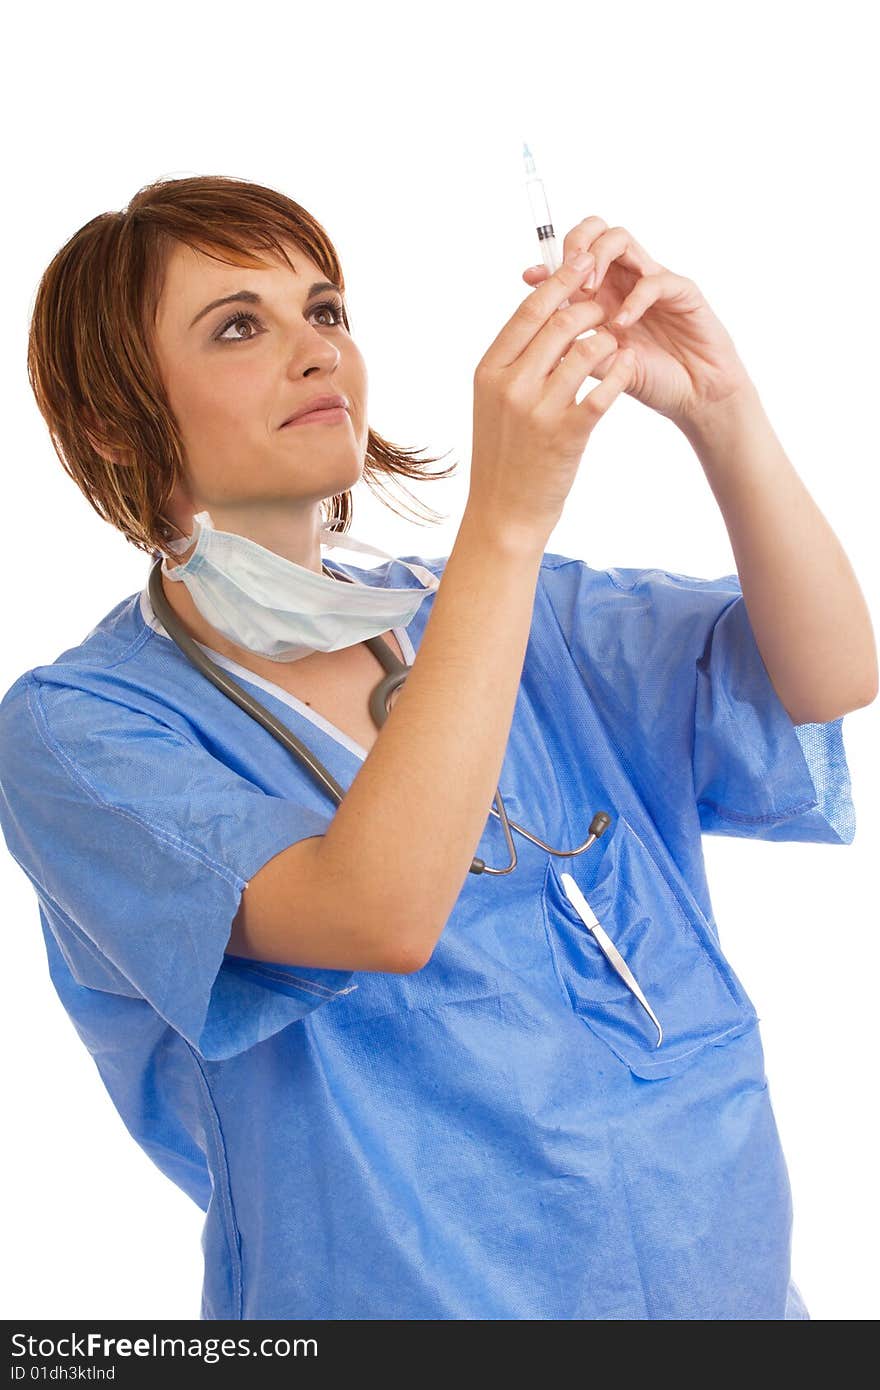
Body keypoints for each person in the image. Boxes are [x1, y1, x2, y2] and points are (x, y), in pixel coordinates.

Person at [0, 174, 875, 1322]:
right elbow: (378, 913)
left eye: (325, 311)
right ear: (114, 418)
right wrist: (504, 525)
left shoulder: (516, 617)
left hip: (718, 1285)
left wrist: (722, 409)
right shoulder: (82, 728)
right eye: (237, 327)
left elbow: (827, 674)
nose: (317, 353)